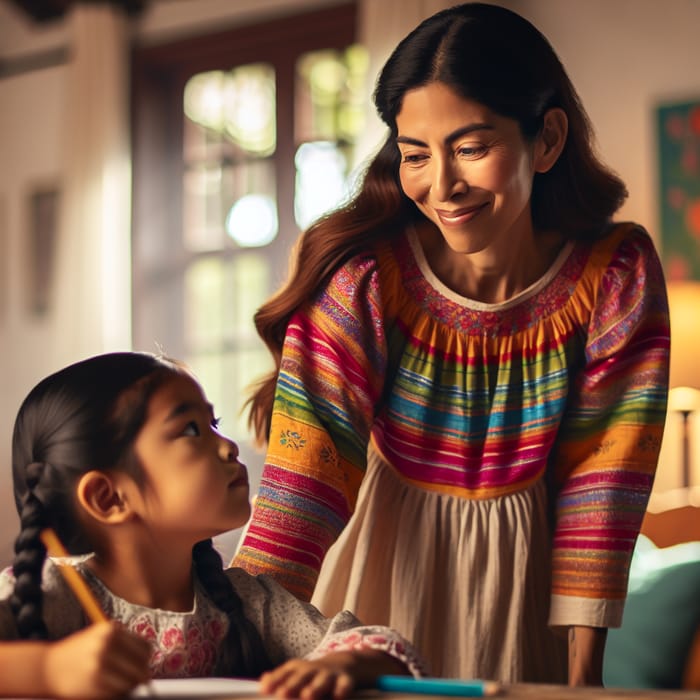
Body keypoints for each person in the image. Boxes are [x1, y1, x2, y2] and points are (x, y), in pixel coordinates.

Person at [232, 1, 671, 687]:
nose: (441, 186)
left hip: (529, 598)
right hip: (374, 592)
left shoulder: (615, 273)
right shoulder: (365, 281)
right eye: (415, 154)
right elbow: (303, 487)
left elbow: (604, 484)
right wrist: (238, 655)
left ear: (547, 140)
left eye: (471, 147)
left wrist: (585, 678)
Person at [0, 352, 423, 699]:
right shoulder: (48, 594)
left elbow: (377, 644)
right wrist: (48, 670)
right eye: (190, 429)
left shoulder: (248, 602)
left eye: (214, 424)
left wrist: (340, 664)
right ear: (109, 497)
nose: (228, 446)